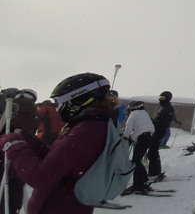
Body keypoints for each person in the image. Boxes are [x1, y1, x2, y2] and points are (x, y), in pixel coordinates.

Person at [0, 73, 113, 214]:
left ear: (79, 99)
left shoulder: (86, 131)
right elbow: (57, 161)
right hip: (64, 203)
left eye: (62, 102)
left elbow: (40, 176)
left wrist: (14, 145)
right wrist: (27, 138)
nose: (59, 108)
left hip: (61, 206)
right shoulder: (87, 125)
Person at [122, 101, 155, 194]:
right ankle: (143, 180)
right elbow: (148, 127)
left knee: (135, 161)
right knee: (137, 160)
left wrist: (126, 138)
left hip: (142, 138)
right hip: (148, 137)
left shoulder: (133, 115)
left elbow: (128, 129)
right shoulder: (144, 114)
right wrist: (135, 137)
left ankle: (138, 184)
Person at [148, 90, 176, 179]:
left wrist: (153, 121)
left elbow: (162, 122)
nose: (160, 100)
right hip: (158, 131)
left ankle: (154, 172)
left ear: (167, 98)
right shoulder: (165, 108)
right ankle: (154, 171)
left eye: (162, 98)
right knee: (153, 151)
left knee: (153, 152)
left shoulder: (168, 109)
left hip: (160, 132)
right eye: (159, 98)